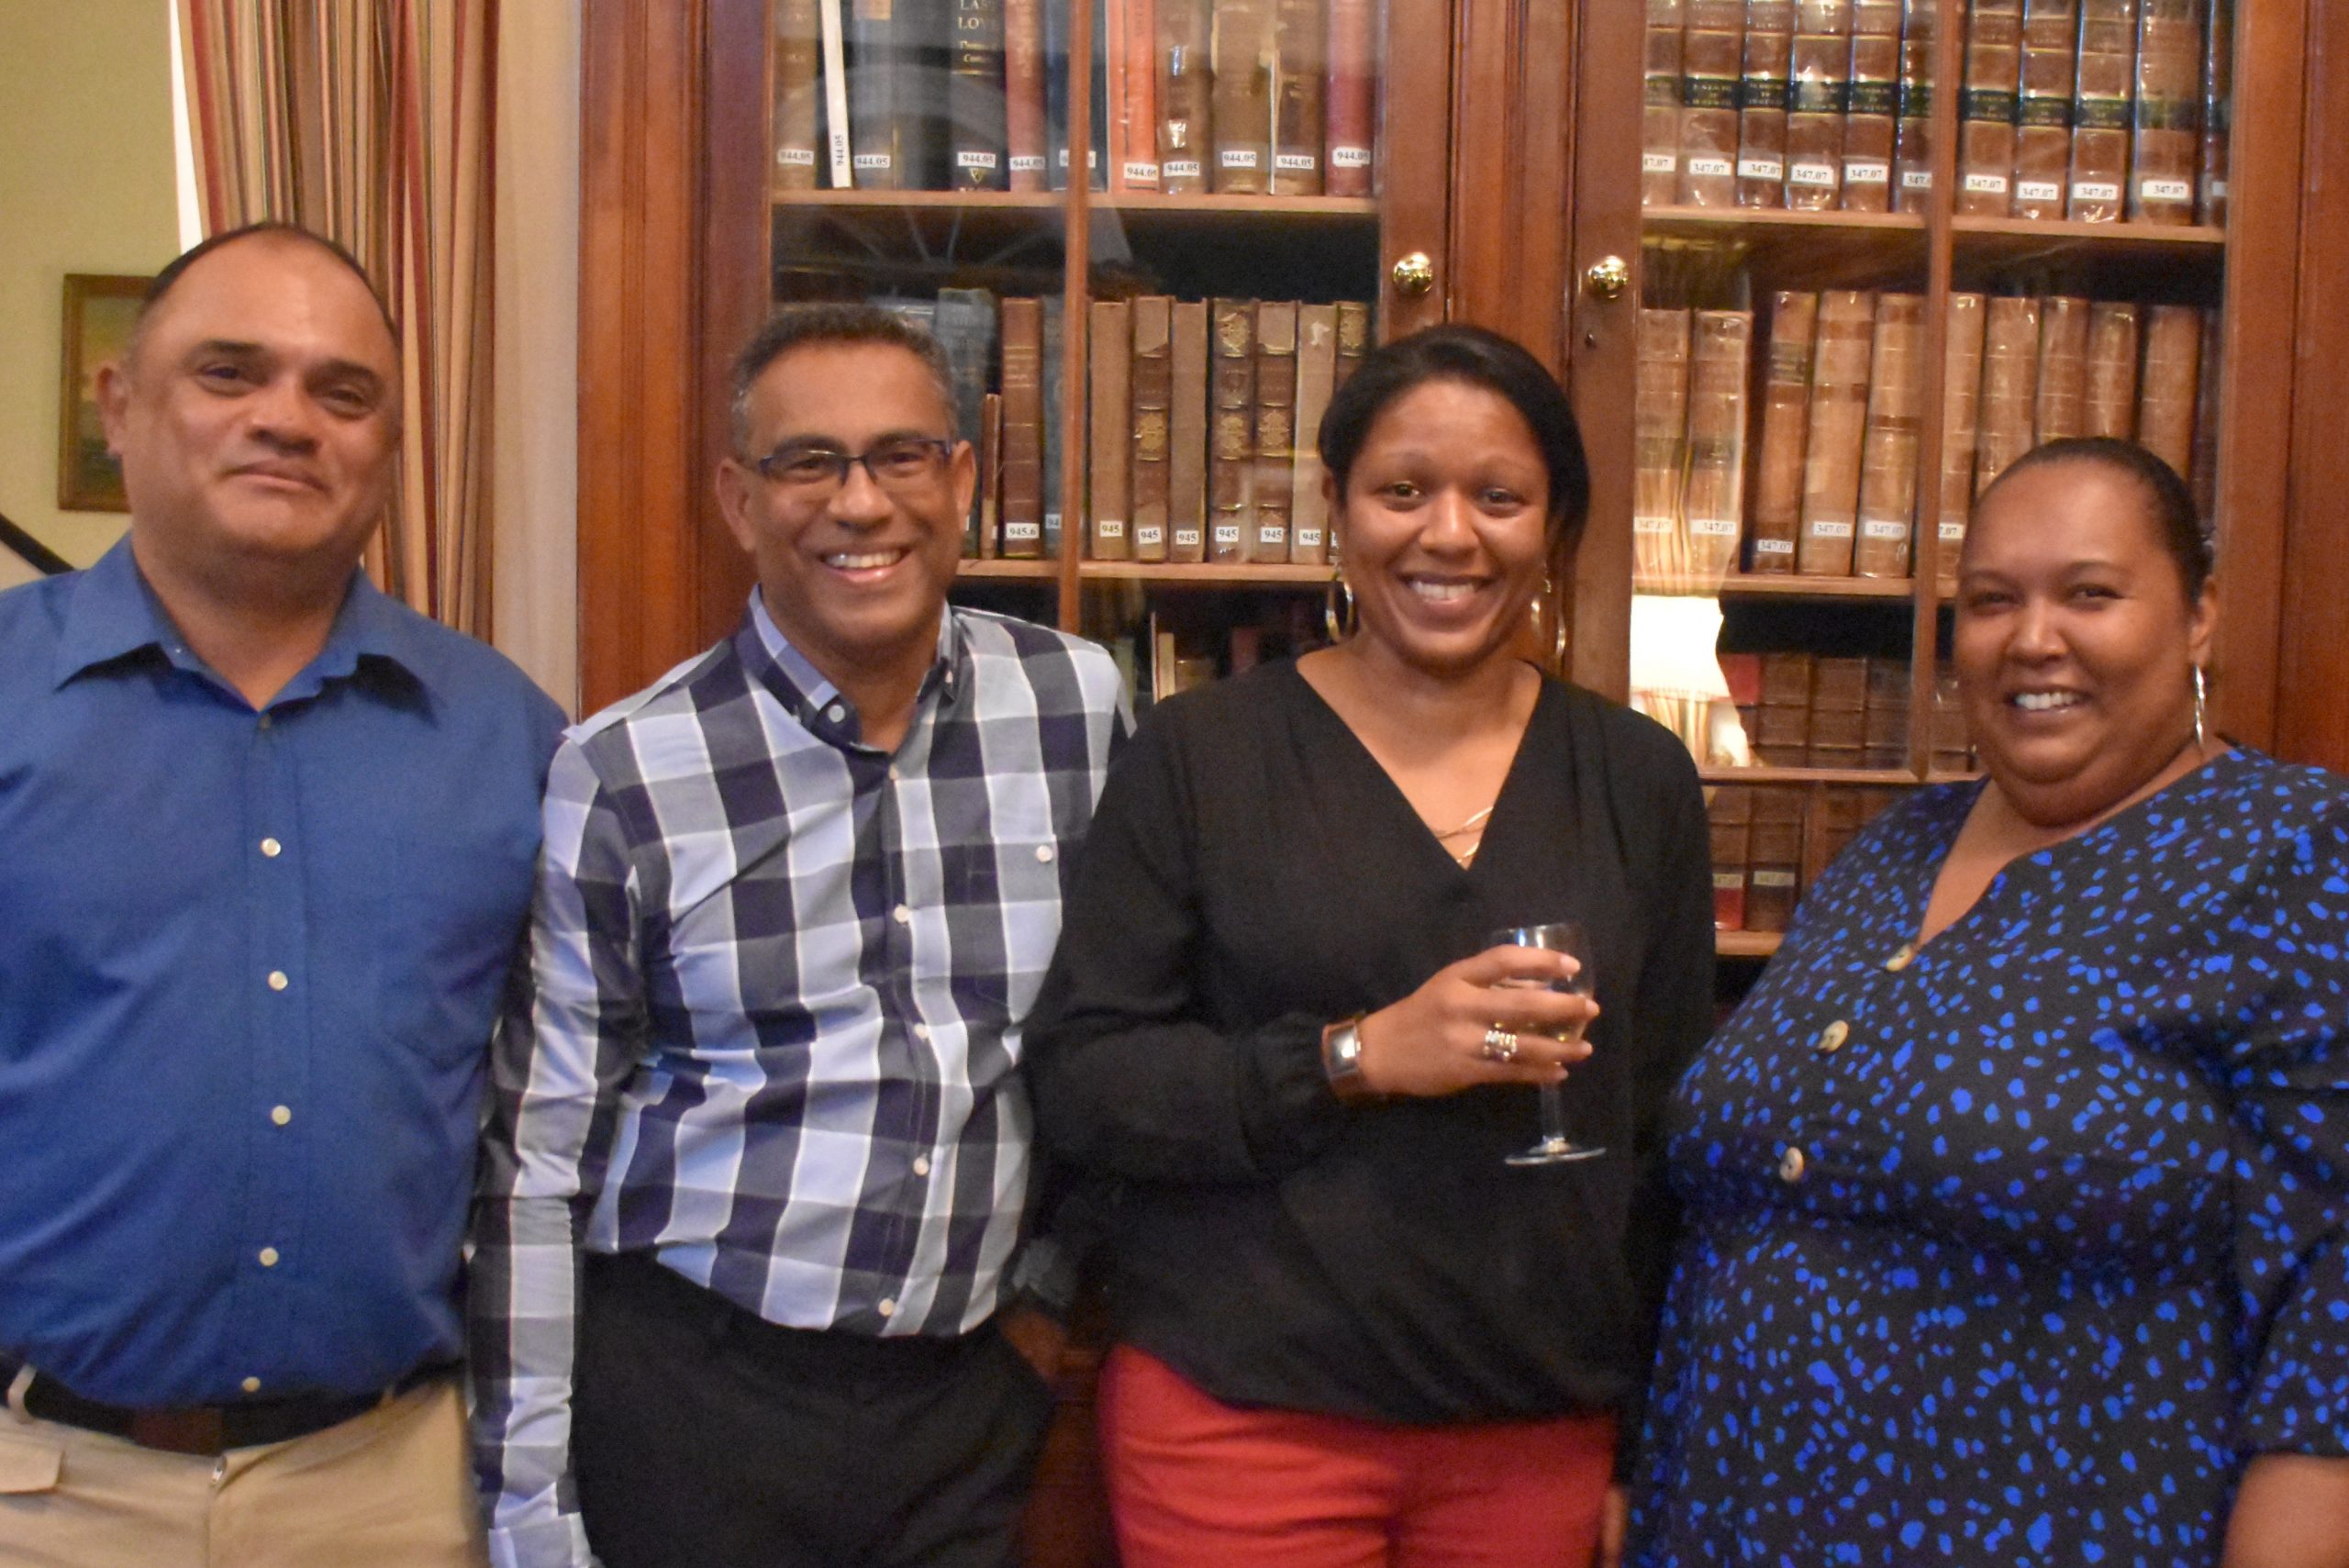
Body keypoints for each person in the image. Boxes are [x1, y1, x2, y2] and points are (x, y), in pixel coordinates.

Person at [1024, 323, 1717, 1568]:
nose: (1449, 534)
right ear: (1335, 507)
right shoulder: (1202, 756)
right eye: (1403, 491)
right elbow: (1087, 1078)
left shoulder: (1637, 776)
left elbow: (1662, 1129)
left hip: (1537, 1427)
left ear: (1552, 526)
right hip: (1246, 1419)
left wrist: (1642, 1436)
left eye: (1498, 497)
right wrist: (1354, 1056)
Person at [470, 304, 1127, 1568]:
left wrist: (1048, 1289)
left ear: (963, 479)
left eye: (900, 456)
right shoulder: (626, 771)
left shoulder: (1075, 705)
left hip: (966, 1398)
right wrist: (531, 1518)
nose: (860, 504)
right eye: (809, 463)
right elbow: (538, 1167)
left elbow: (1117, 1035)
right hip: (698, 1396)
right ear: (739, 499)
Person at [1631, 437, 2349, 1566]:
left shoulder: (2297, 854)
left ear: (2198, 616)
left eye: (2089, 594)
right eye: (1990, 600)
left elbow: (2329, 1323)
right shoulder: (1890, 849)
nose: (2032, 638)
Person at [0, 224, 565, 1567]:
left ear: (389, 445)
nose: (287, 419)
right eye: (230, 372)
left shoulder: (511, 738)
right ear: (120, 406)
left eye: (342, 391)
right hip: (45, 1492)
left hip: (392, 1492)